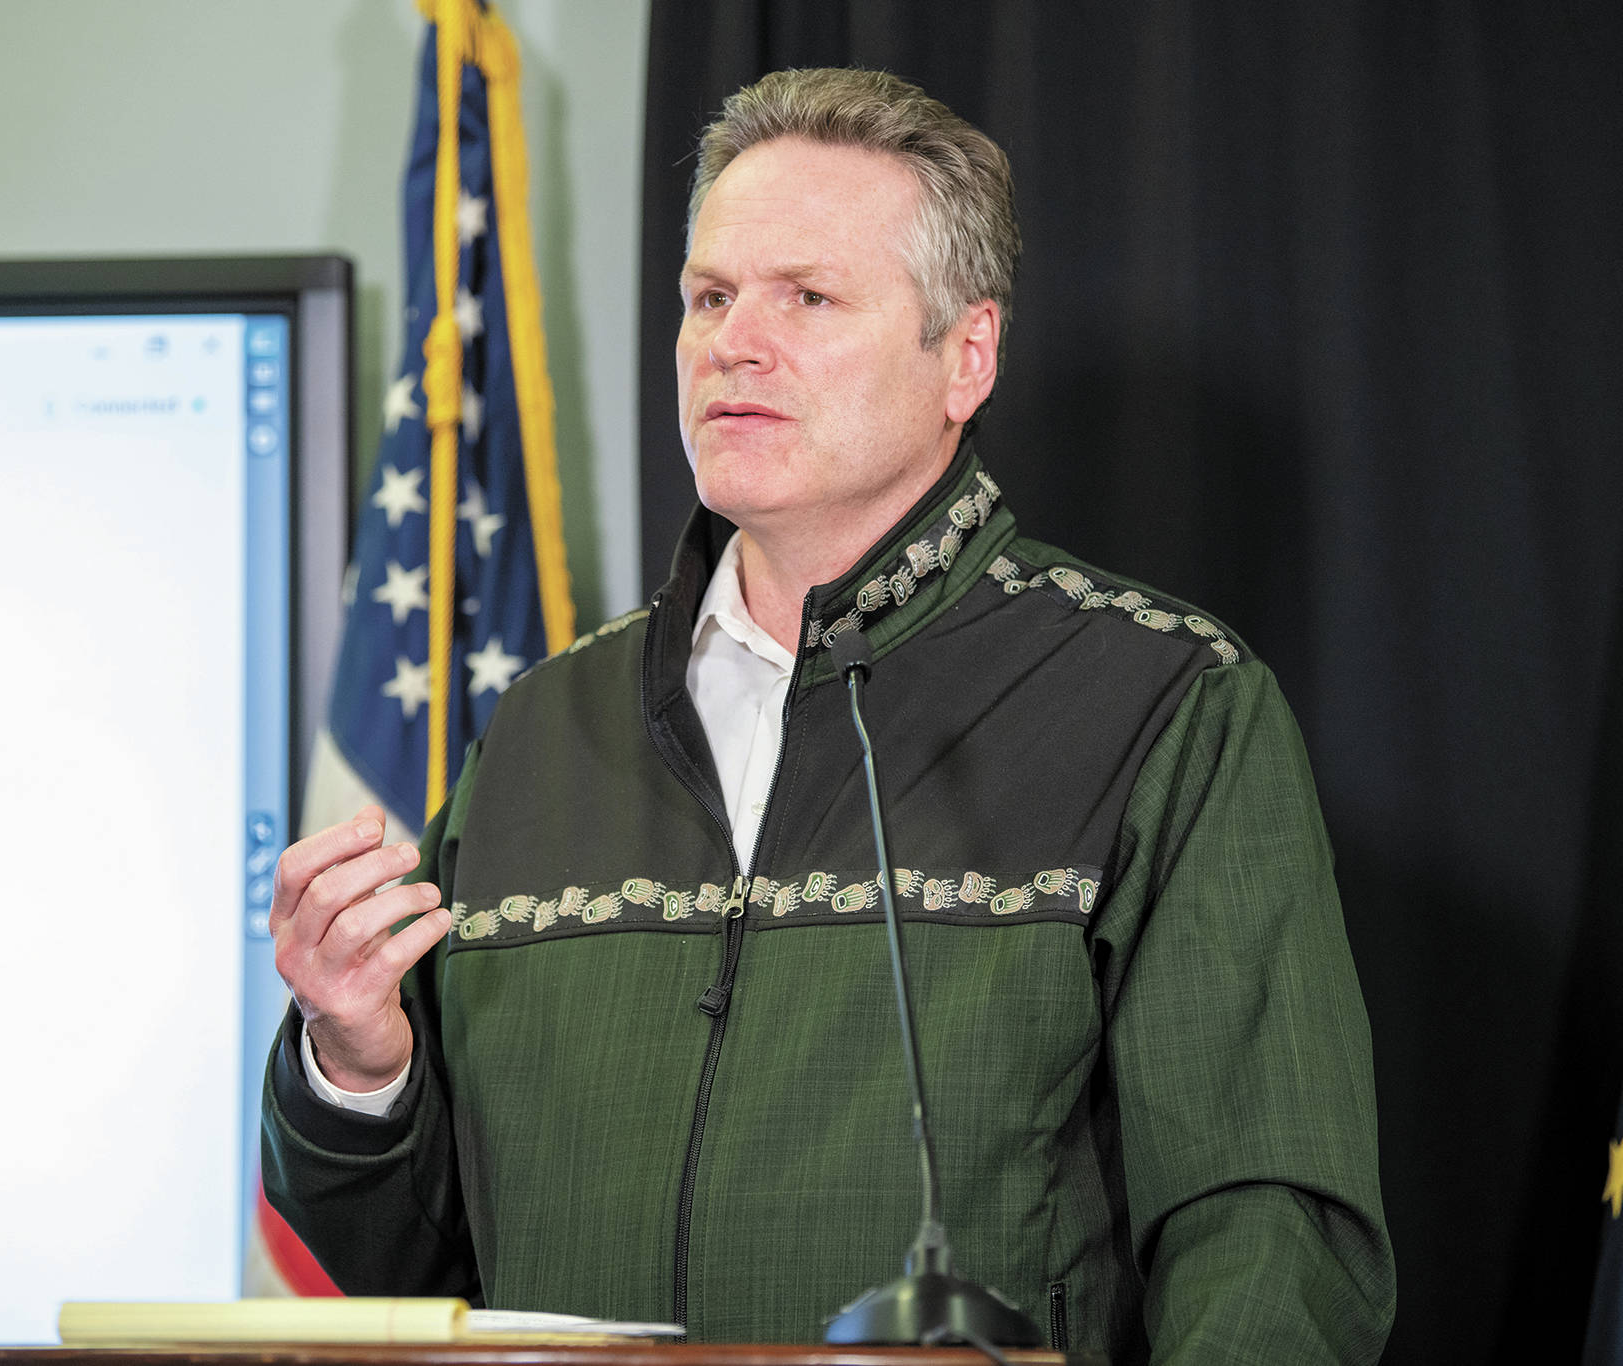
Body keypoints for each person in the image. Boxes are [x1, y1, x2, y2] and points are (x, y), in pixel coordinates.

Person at [263, 67, 1396, 1362]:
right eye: (710, 296)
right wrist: (358, 1066)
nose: (736, 340)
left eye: (807, 296)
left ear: (965, 355)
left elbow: (1269, 1236)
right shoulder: (535, 732)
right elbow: (398, 1280)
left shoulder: (1166, 705)